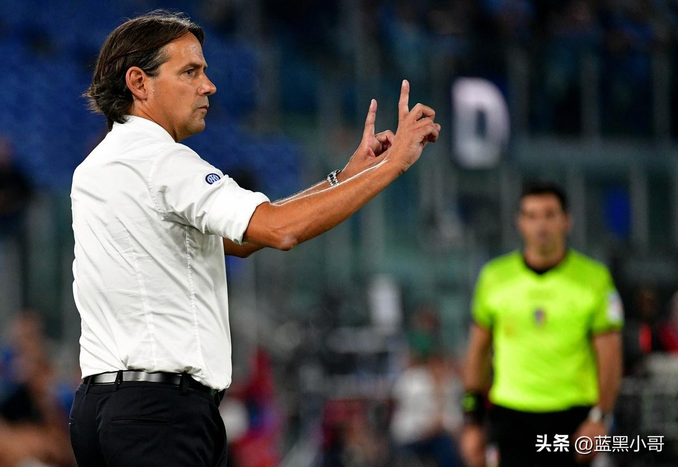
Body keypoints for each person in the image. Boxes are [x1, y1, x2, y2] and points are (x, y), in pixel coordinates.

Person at [68, 10, 440, 467]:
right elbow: (279, 229)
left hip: (100, 409)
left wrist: (344, 178)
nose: (208, 86)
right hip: (159, 415)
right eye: (190, 71)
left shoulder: (96, 167)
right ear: (139, 83)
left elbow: (234, 239)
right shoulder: (162, 161)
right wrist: (393, 165)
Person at [460, 182, 624, 467]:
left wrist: (601, 417)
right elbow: (478, 351)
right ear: (520, 222)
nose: (541, 225)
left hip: (572, 416)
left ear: (566, 221)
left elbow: (610, 354)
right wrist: (472, 421)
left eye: (549, 215)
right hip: (511, 413)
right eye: (532, 215)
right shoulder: (494, 278)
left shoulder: (594, 279)